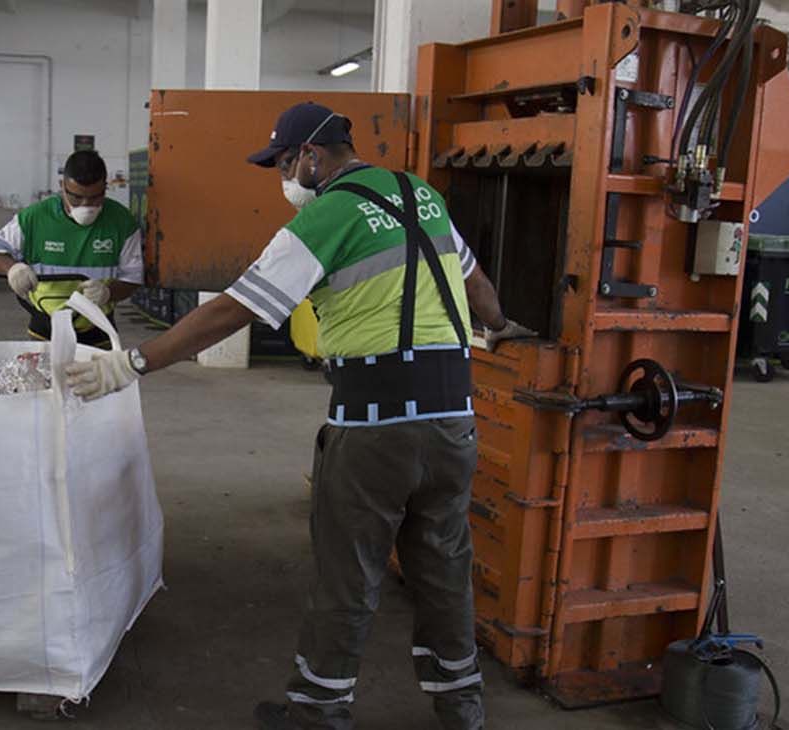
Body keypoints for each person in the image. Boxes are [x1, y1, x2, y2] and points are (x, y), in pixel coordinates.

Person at [62, 102, 534, 730]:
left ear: (312, 156)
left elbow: (237, 308)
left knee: (350, 572)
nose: (283, 179)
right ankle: (462, 708)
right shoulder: (423, 195)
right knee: (446, 567)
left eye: (284, 164)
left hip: (375, 427)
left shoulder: (327, 214)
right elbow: (481, 295)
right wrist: (504, 330)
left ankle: (318, 711)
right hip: (454, 423)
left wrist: (133, 363)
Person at [0, 150, 143, 346]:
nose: (86, 205)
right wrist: (13, 268)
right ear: (62, 187)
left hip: (98, 328)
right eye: (76, 198)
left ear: (105, 187)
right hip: (44, 327)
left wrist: (108, 292)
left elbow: (133, 278)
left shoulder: (122, 222)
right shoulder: (34, 218)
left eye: (95, 198)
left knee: (98, 376)